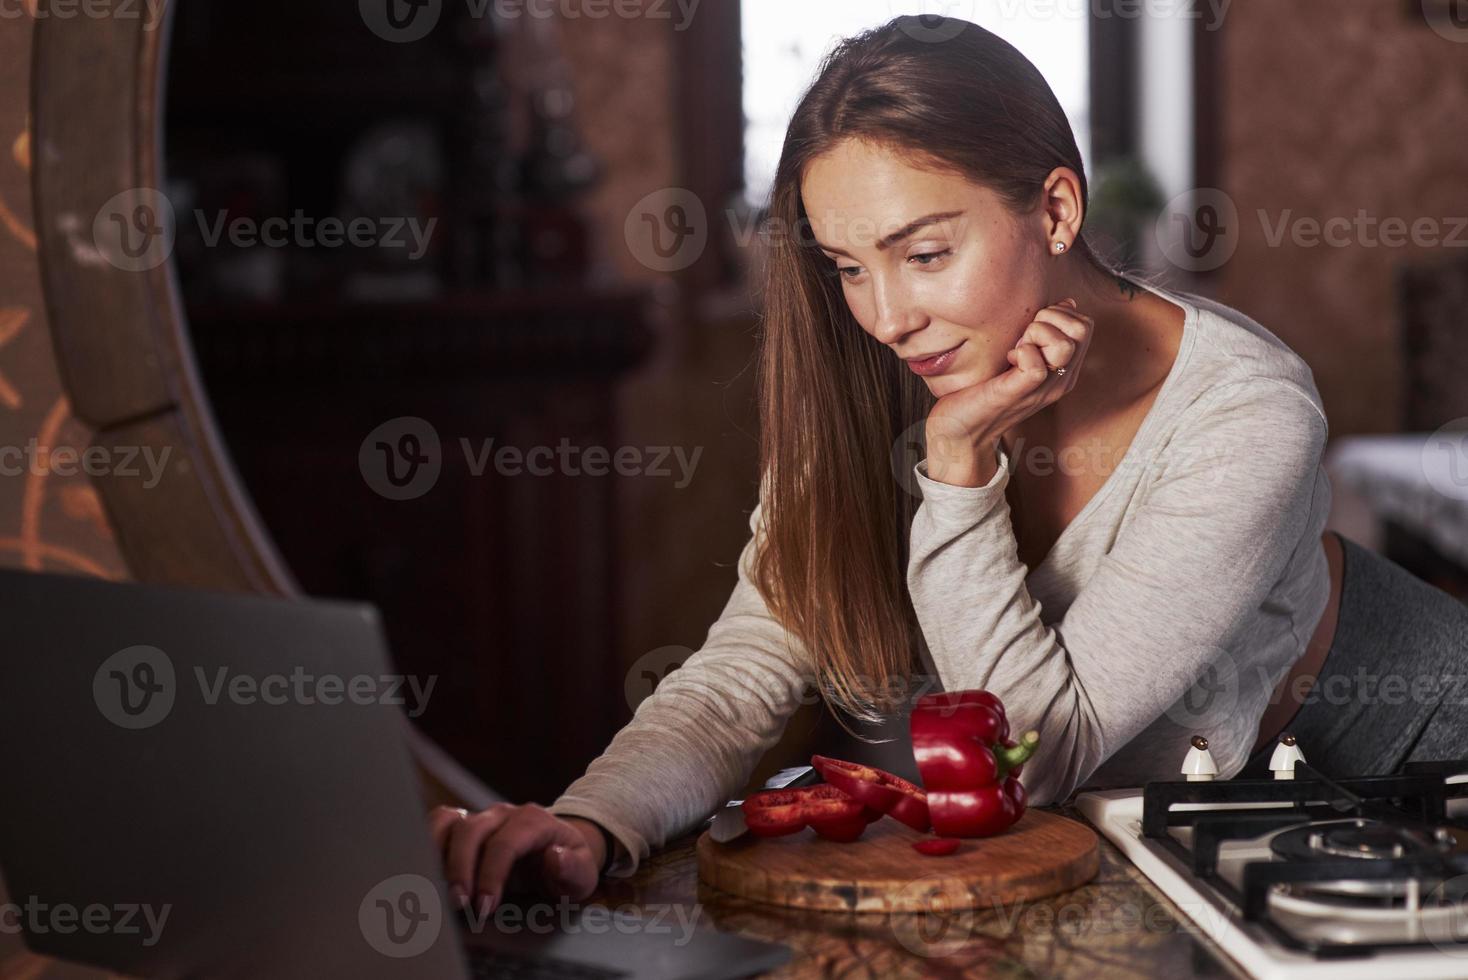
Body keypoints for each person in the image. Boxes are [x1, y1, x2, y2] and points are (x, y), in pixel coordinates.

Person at [428, 14, 1468, 917]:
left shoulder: (1247, 409)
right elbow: (744, 671)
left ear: (1056, 210)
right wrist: (590, 821)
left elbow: (1034, 752)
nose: (886, 317)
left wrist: (956, 464)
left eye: (924, 254)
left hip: (1401, 742)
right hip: (1167, 819)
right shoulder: (880, 377)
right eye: (847, 266)